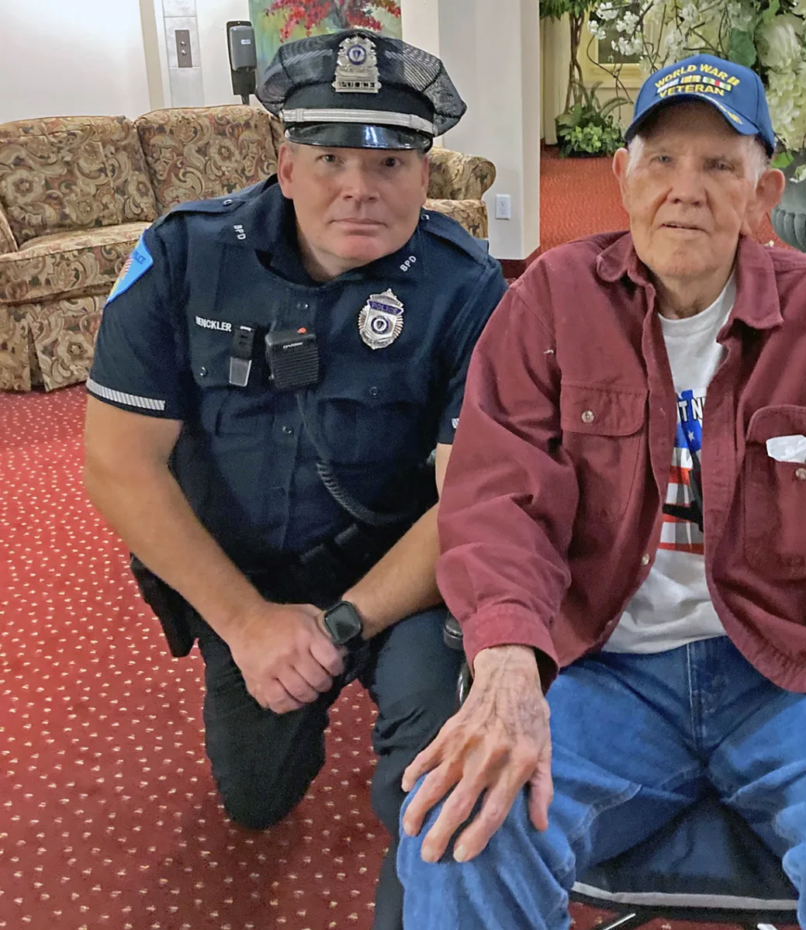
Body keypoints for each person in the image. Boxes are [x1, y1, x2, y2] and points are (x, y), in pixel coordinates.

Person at [396, 54, 806, 929]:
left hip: (799, 676)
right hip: (603, 671)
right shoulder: (550, 303)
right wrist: (503, 669)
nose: (686, 189)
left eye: (721, 165)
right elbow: (497, 507)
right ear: (622, 178)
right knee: (459, 836)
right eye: (662, 160)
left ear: (764, 197)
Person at [82, 29, 506, 930]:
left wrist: (346, 623)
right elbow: (119, 468)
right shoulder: (185, 257)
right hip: (251, 581)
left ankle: (429, 891)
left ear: (425, 176)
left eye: (391, 160)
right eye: (329, 157)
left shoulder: (468, 291)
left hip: (405, 578)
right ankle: (281, 674)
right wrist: (247, 626)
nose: (359, 185)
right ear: (284, 165)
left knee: (434, 738)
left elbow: (471, 501)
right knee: (255, 799)